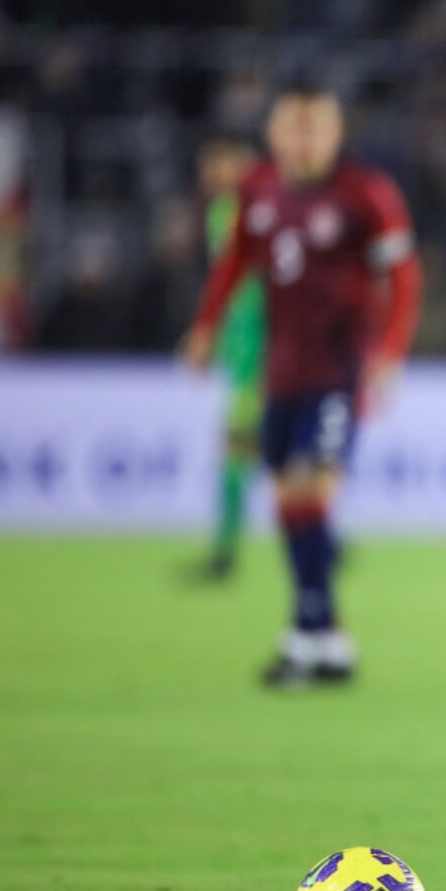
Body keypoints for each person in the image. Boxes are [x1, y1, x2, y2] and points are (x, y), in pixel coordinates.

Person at [182, 83, 422, 686]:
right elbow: (234, 262)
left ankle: (306, 632)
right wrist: (206, 327)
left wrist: (389, 353)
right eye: (295, 126)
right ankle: (326, 639)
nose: (306, 140)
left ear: (336, 132)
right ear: (275, 132)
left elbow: (404, 278)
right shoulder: (257, 190)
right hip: (278, 372)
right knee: (290, 499)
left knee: (311, 487)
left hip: (338, 370)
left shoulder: (366, 194)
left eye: (318, 127)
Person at [186, 134, 266, 582]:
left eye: (219, 161)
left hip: (270, 348)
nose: (210, 171)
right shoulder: (221, 213)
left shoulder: (264, 211)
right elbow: (229, 289)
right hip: (244, 347)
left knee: (241, 447)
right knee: (257, 449)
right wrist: (212, 334)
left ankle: (225, 552)